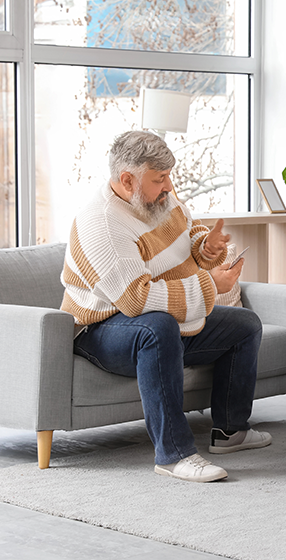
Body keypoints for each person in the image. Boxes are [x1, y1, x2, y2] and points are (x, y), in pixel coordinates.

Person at [62, 130, 271, 483]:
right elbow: (136, 300)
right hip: (101, 328)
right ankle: (173, 454)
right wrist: (211, 285)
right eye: (159, 179)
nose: (168, 186)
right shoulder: (100, 224)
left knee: (244, 325)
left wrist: (207, 248)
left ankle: (230, 431)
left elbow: (187, 235)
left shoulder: (157, 197)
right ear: (127, 180)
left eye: (168, 176)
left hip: (154, 320)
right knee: (157, 328)